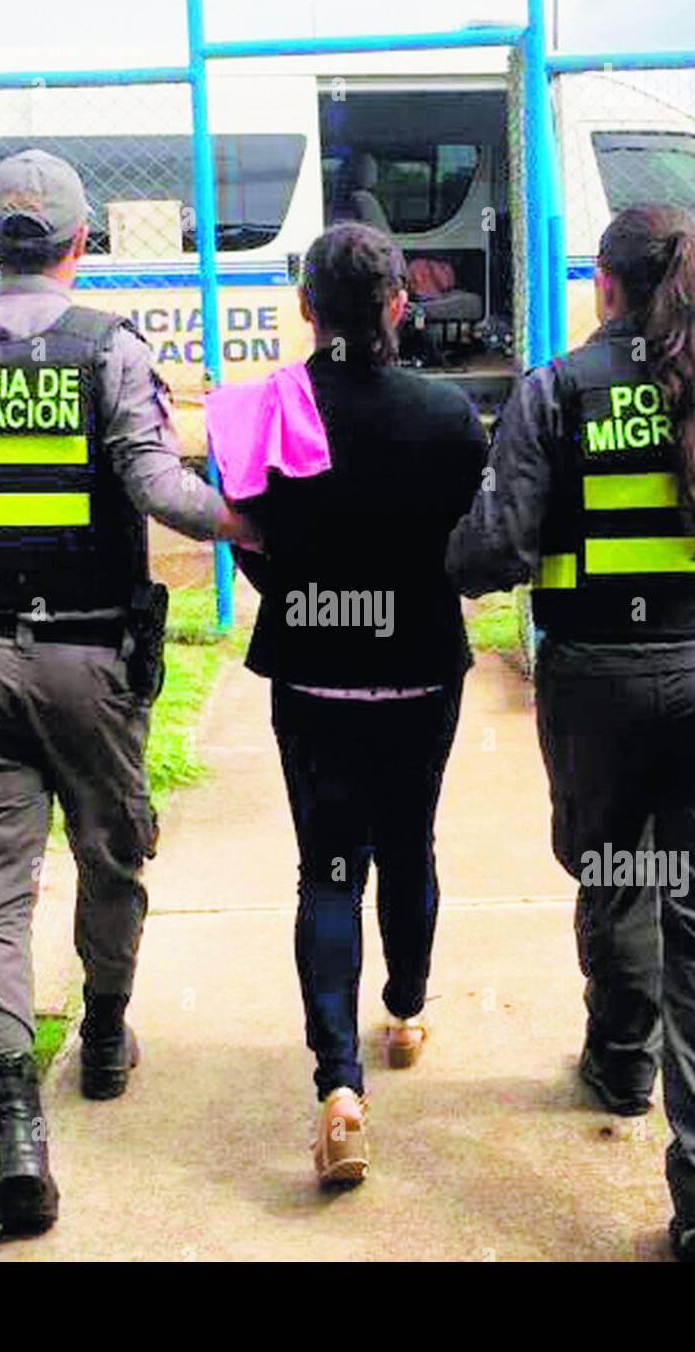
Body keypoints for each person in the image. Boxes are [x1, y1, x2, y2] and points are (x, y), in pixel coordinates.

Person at [446, 204, 695, 1261]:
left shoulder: (556, 392)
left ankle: (622, 1059)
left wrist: (450, 553)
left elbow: (496, 545)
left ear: (606, 287)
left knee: (618, 872)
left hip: (601, 693)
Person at [0, 149, 253, 1236]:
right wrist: (254, 519)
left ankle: (17, 1121)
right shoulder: (111, 349)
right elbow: (154, 485)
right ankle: (101, 1038)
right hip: (91, 665)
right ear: (79, 243)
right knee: (110, 849)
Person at [230, 222, 487, 1186]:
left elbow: (249, 538)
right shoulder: (450, 416)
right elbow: (472, 540)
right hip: (421, 671)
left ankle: (339, 1088)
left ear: (306, 309)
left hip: (312, 678)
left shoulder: (266, 413)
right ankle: (408, 1011)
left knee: (328, 871)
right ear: (396, 305)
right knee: (410, 844)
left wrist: (302, 603)